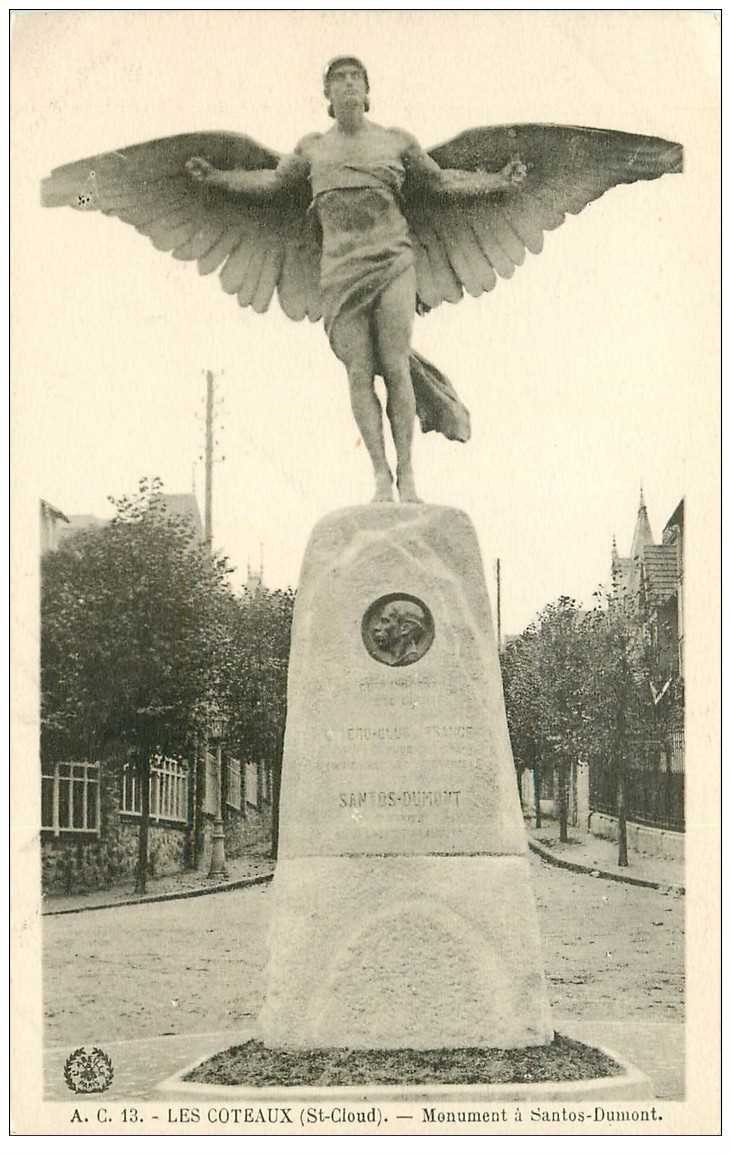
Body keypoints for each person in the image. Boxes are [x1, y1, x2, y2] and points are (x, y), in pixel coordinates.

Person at [187, 56, 526, 503]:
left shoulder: (395, 142)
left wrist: (498, 182)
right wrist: (216, 178)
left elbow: (441, 182)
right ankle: (380, 475)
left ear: (367, 92)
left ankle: (407, 475)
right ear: (327, 95)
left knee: (396, 364)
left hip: (392, 260)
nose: (348, 85)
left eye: (355, 79)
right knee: (360, 371)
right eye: (339, 80)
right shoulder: (312, 149)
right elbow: (270, 184)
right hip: (340, 269)